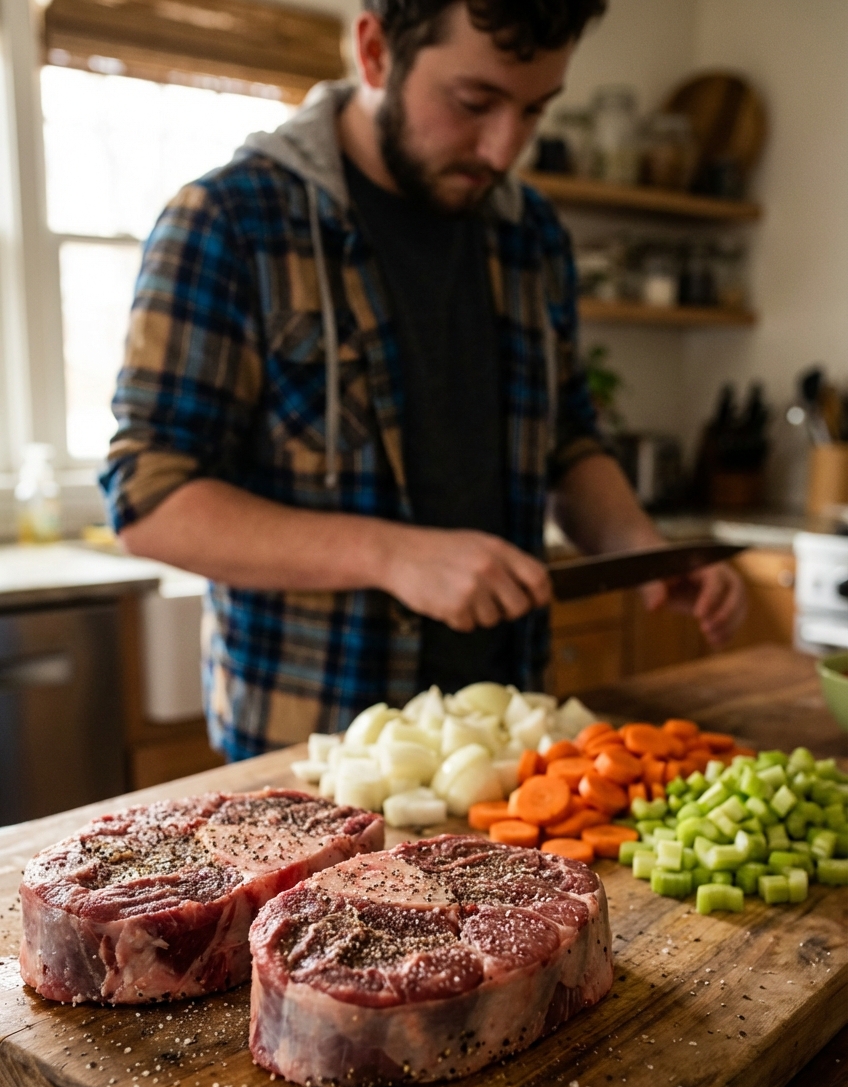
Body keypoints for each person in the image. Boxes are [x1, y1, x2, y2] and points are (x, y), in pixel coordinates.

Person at [103, 0, 746, 762]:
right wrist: (395, 555)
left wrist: (643, 550)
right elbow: (149, 497)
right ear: (375, 52)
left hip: (509, 732)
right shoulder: (228, 221)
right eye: (474, 103)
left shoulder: (531, 236)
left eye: (535, 109)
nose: (505, 147)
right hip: (314, 748)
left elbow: (567, 438)